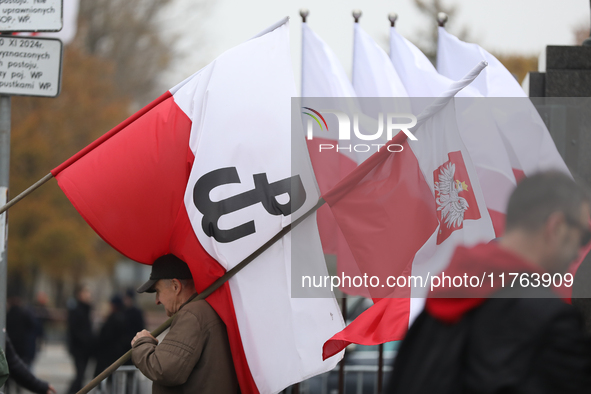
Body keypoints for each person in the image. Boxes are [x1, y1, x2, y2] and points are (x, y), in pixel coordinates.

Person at [387, 171, 591, 393]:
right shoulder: (551, 319)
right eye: (584, 236)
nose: (580, 251)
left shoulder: (442, 297)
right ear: (557, 226)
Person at [131, 254, 239, 394]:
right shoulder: (207, 309)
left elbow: (164, 369)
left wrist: (142, 344)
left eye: (158, 291)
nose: (157, 300)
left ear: (176, 286)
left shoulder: (192, 314)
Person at [66, 285, 96, 394]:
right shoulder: (77, 310)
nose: (88, 295)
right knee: (80, 375)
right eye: (86, 293)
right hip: (79, 349)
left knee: (81, 376)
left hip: (85, 349)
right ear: (80, 295)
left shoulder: (86, 309)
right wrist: (87, 341)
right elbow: (76, 331)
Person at [94, 294, 128, 378]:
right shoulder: (122, 317)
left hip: (108, 356)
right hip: (113, 356)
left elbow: (105, 337)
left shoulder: (114, 319)